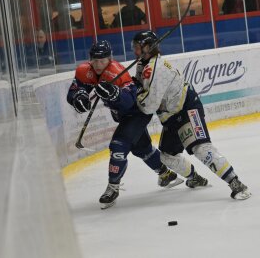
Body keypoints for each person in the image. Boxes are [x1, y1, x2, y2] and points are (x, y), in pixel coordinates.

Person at [132, 30, 251, 200]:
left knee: (200, 148)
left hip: (187, 109)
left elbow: (149, 106)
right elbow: (140, 87)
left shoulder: (154, 68)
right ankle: (194, 178)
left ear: (148, 48)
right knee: (166, 156)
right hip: (171, 116)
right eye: (134, 47)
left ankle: (236, 183)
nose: (135, 51)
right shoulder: (143, 65)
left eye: (138, 47)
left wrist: (132, 95)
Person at [66, 40, 183, 209]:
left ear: (109, 59)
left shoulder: (117, 72)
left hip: (137, 113)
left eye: (103, 60)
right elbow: (74, 90)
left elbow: (130, 101)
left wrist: (115, 94)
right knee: (141, 148)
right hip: (123, 116)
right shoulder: (85, 70)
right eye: (95, 60)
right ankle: (166, 174)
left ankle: (112, 187)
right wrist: (78, 97)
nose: (98, 64)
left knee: (118, 146)